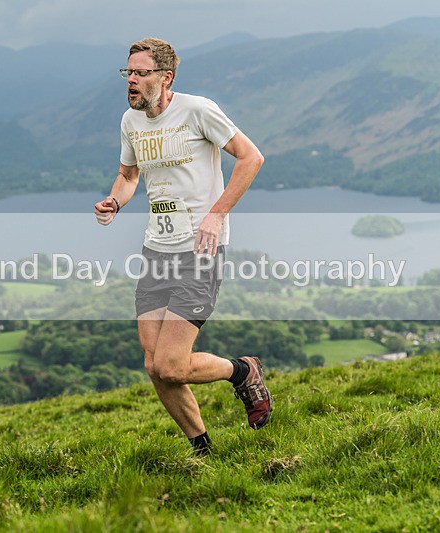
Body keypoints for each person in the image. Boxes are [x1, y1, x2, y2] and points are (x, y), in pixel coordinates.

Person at [94, 38, 271, 455]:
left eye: (140, 73)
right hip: (156, 250)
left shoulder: (198, 110)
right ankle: (202, 449)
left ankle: (242, 371)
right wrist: (115, 200)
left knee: (173, 363)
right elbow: (128, 175)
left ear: (165, 77)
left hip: (199, 250)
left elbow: (251, 158)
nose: (131, 81)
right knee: (154, 364)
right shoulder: (131, 122)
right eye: (128, 73)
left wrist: (217, 213)